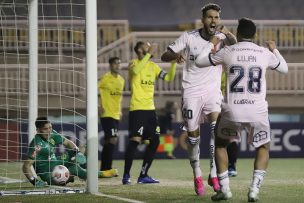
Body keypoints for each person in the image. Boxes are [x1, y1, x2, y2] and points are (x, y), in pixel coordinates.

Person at [195, 18, 288, 202]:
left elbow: (198, 61)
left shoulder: (227, 51)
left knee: (221, 144)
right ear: (255, 35)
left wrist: (213, 42)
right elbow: (284, 69)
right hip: (257, 111)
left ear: (237, 34)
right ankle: (254, 189)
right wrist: (274, 49)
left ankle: (225, 189)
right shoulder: (263, 53)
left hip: (232, 111)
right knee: (263, 147)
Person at [161, 3, 237, 196]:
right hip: (191, 91)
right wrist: (176, 54)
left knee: (216, 131)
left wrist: (228, 34)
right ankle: (197, 174)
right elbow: (164, 55)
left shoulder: (221, 37)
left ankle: (213, 174)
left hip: (213, 91)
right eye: (210, 17)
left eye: (216, 17)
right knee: (193, 138)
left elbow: (237, 47)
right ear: (203, 19)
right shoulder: (189, 37)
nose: (213, 21)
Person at [122, 41, 177, 185]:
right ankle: (126, 175)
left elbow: (169, 78)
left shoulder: (153, 66)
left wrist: (173, 63)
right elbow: (135, 72)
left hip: (150, 110)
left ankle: (143, 175)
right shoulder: (133, 63)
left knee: (155, 140)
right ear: (140, 49)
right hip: (137, 109)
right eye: (147, 45)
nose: (150, 47)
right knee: (135, 140)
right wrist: (149, 53)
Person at [22, 117, 103, 186]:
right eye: (45, 129)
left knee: (84, 148)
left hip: (56, 162)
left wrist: (77, 153)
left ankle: (85, 172)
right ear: (38, 130)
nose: (49, 131)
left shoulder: (52, 134)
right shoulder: (37, 145)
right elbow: (26, 166)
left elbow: (68, 142)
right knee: (75, 169)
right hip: (50, 173)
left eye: (50, 127)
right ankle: (102, 174)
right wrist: (34, 181)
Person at [98, 56, 125, 178]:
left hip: (116, 114)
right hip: (107, 114)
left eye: (119, 63)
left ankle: (104, 169)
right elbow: (93, 88)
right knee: (113, 140)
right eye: (115, 63)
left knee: (110, 141)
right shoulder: (105, 78)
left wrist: (120, 110)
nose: (118, 65)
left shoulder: (121, 80)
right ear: (110, 65)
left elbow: (118, 98)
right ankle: (106, 168)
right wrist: (98, 105)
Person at [221, 71, 239, 177]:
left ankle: (231, 166)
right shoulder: (216, 70)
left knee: (231, 138)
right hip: (217, 105)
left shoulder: (232, 70)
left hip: (232, 106)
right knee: (218, 138)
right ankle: (220, 166)